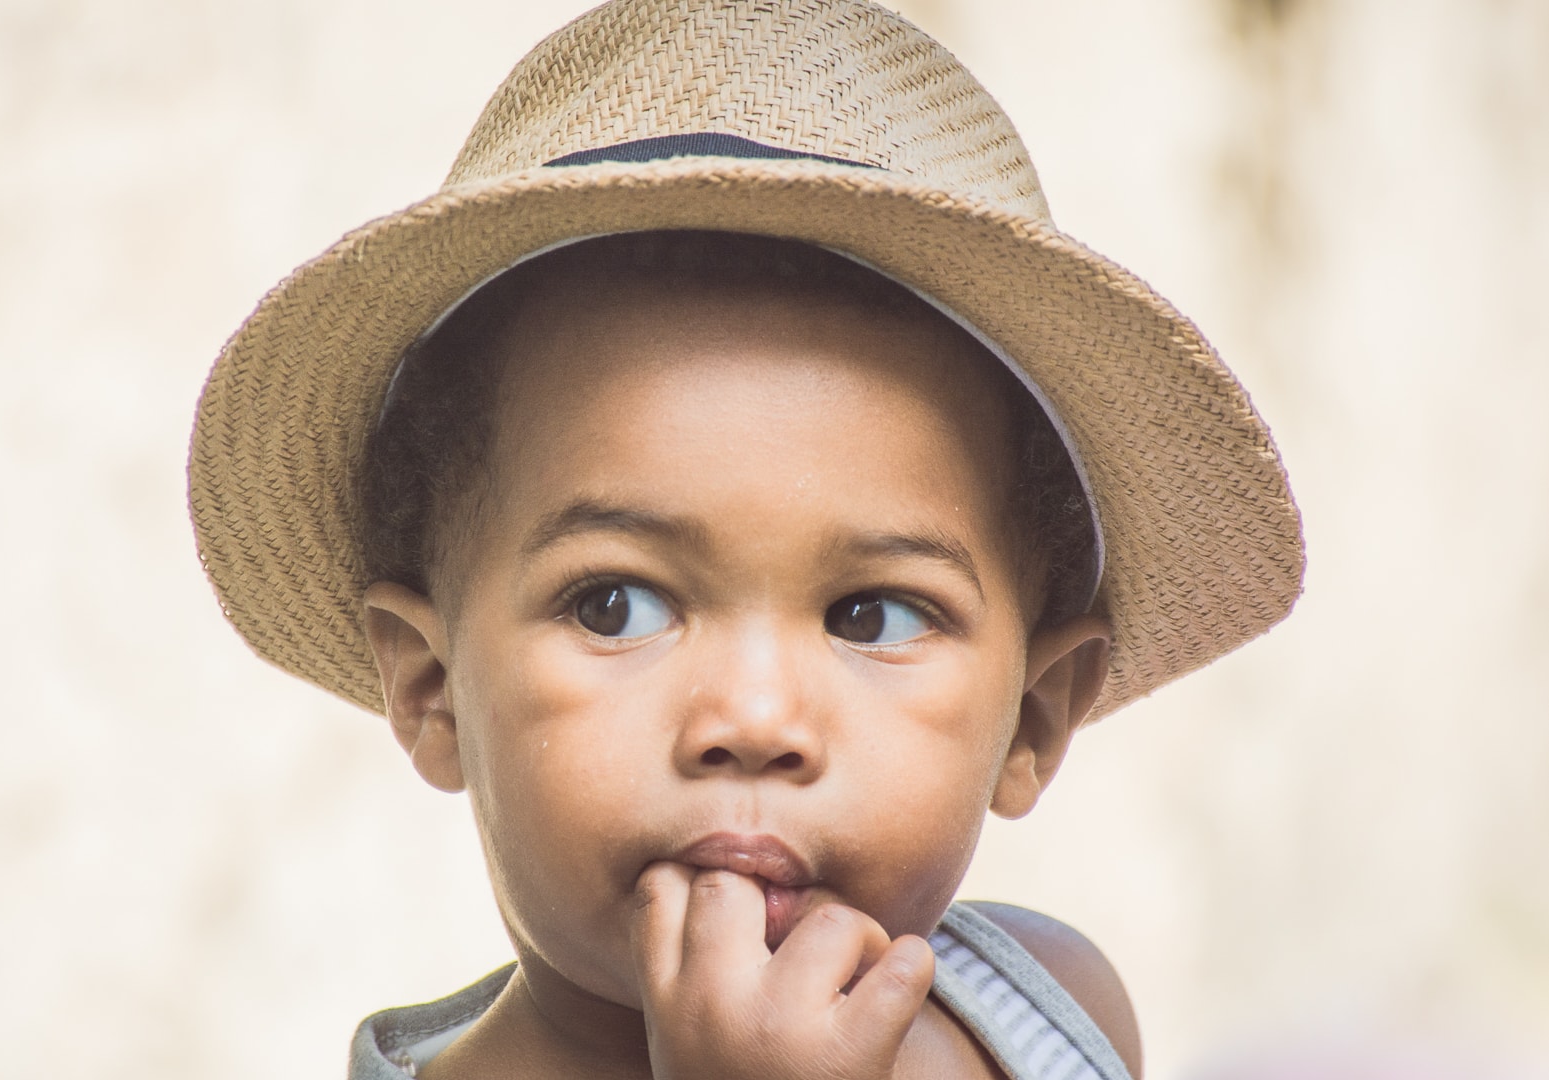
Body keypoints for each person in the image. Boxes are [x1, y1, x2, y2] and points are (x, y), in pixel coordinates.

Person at [187, 2, 1305, 1078]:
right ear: (433, 687)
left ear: (1034, 716)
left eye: (873, 615)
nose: (755, 721)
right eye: (613, 604)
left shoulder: (1040, 1006)